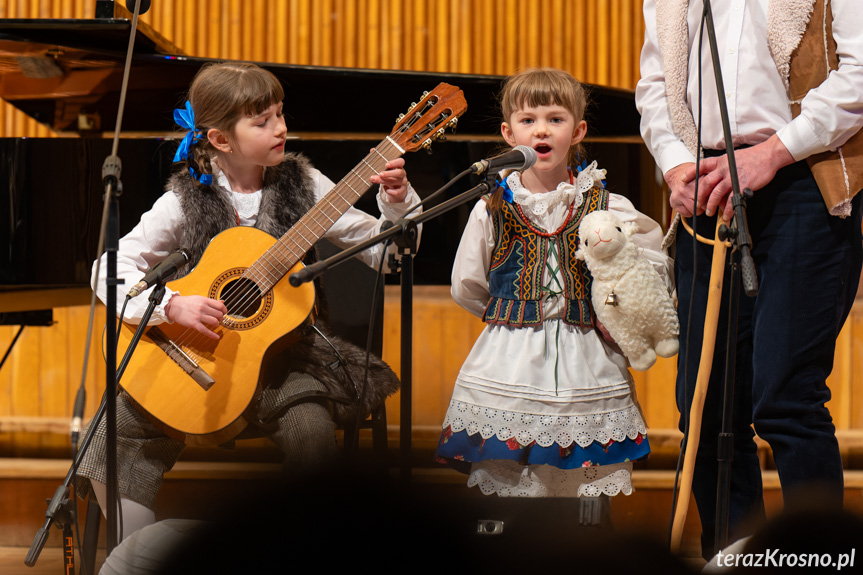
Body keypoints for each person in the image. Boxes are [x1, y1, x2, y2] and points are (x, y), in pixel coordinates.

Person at [79, 61, 420, 540]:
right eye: (262, 122)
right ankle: (137, 556)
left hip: (288, 361)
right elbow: (108, 268)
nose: (280, 128)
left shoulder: (306, 184)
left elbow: (388, 254)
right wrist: (172, 306)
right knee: (111, 439)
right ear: (220, 139)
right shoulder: (184, 198)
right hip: (195, 357)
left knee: (311, 433)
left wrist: (398, 203)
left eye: (281, 114)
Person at [636, 0, 863, 559]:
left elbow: (859, 74)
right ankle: (731, 556)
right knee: (705, 406)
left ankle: (818, 558)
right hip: (704, 181)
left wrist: (771, 153)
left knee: (785, 397)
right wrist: (673, 163)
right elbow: (655, 84)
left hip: (801, 179)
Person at [435, 68, 672, 508]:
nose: (541, 129)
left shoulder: (606, 205)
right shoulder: (493, 206)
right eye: (528, 120)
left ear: (577, 130)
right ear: (508, 133)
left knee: (583, 491)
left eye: (555, 119)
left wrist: (614, 312)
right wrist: (515, 313)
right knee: (512, 486)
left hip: (587, 355)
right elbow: (467, 284)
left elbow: (648, 267)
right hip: (511, 359)